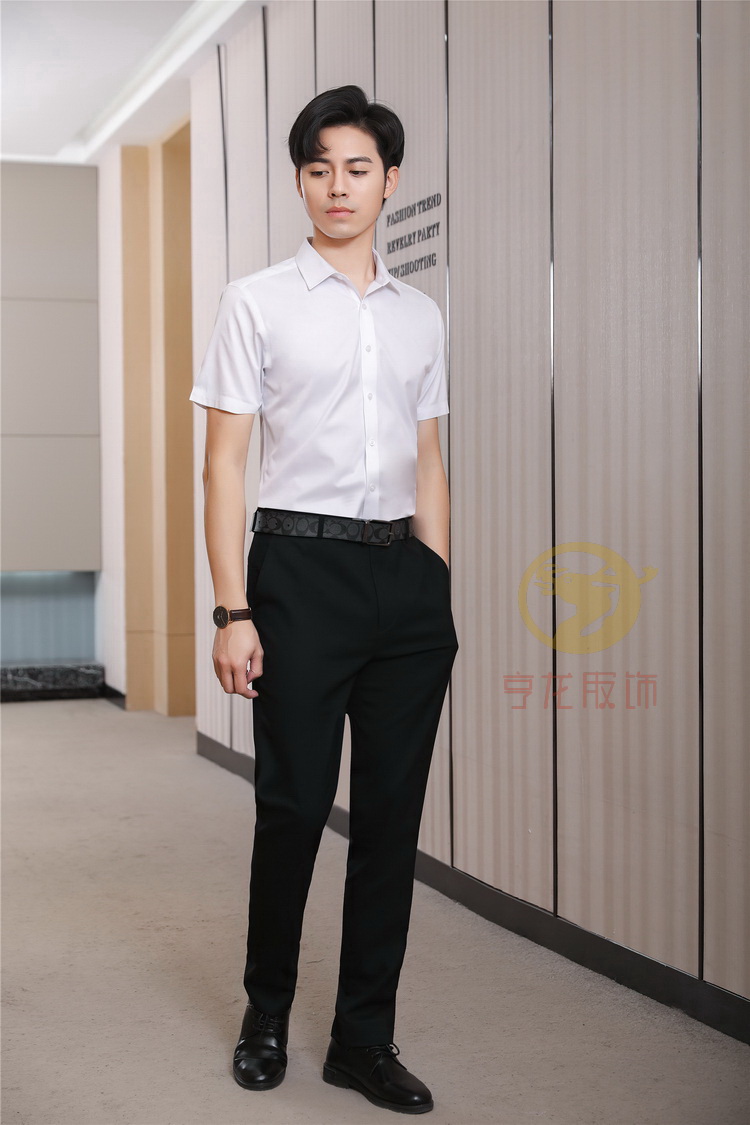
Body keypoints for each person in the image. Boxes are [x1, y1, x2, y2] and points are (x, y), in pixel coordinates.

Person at [189, 83, 459, 1115]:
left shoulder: (421, 315)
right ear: (300, 181)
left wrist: (435, 581)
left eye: (357, 168)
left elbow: (428, 457)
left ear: (390, 182)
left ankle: (362, 1040)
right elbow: (224, 463)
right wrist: (232, 609)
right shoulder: (256, 300)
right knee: (295, 808)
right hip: (297, 574)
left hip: (404, 584)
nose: (337, 186)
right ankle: (265, 1015)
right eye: (318, 168)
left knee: (391, 822)